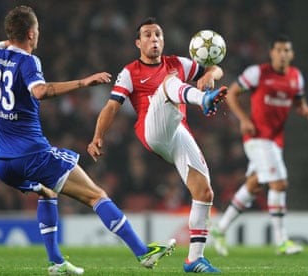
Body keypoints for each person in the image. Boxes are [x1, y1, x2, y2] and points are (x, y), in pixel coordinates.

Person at [0, 6, 175, 275]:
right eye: (36, 31)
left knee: (47, 191)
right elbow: (41, 91)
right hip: (32, 155)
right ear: (30, 33)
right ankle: (143, 253)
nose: (37, 36)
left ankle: (56, 262)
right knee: (96, 195)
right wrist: (83, 83)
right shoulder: (29, 61)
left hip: (0, 161)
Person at [87, 17, 227, 273]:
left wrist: (209, 75)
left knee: (204, 192)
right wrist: (98, 135)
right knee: (169, 84)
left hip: (177, 131)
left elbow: (217, 68)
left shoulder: (177, 63)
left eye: (158, 35)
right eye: (148, 35)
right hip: (152, 132)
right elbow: (111, 106)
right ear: (138, 42)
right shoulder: (130, 72)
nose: (154, 39)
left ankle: (194, 259)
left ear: (163, 40)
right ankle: (203, 100)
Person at [210, 34, 308, 256]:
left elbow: (298, 102)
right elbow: (231, 94)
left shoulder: (296, 77)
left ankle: (220, 229)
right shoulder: (257, 73)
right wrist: (244, 119)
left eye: (286, 50)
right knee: (279, 184)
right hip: (258, 137)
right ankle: (282, 241)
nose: (282, 54)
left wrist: (305, 110)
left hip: (276, 140)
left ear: (292, 54)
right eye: (278, 50)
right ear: (271, 53)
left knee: (254, 185)